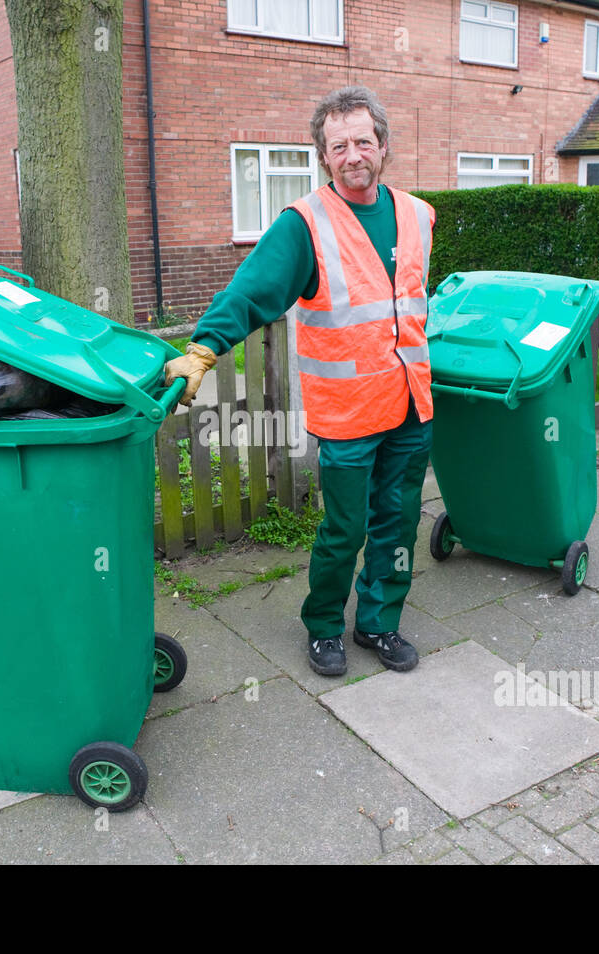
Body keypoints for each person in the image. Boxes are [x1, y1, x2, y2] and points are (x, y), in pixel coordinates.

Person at [164, 86, 435, 677]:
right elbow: (252, 289)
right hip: (349, 412)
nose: (353, 154)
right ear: (324, 156)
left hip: (412, 405)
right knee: (345, 528)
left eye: (363, 141)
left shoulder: (418, 215)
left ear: (383, 146)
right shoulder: (303, 225)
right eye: (339, 146)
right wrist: (204, 348)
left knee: (399, 521)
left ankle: (379, 623)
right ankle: (322, 628)